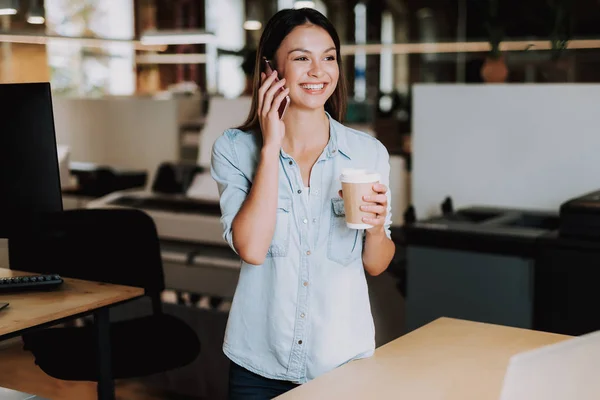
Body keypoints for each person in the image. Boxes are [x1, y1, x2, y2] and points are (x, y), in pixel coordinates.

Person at [210, 7, 396, 399]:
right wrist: (271, 146)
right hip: (257, 365)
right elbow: (252, 249)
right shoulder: (234, 149)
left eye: (328, 57)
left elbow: (376, 264)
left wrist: (377, 228)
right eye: (300, 58)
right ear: (270, 70)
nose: (318, 71)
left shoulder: (367, 153)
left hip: (343, 363)